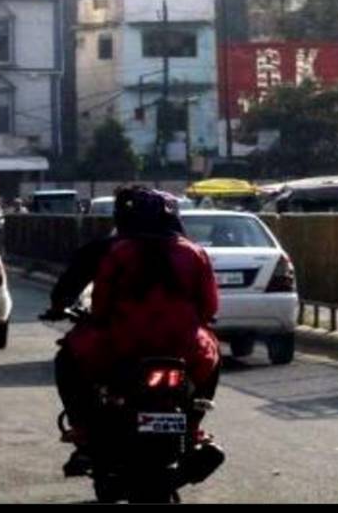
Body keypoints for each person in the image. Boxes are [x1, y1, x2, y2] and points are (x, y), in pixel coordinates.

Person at [42, 186, 223, 481]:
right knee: (213, 354)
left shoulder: (115, 250)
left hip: (121, 345)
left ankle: (85, 433)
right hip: (184, 349)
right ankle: (193, 428)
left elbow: (100, 304)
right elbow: (209, 307)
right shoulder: (194, 252)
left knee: (66, 359)